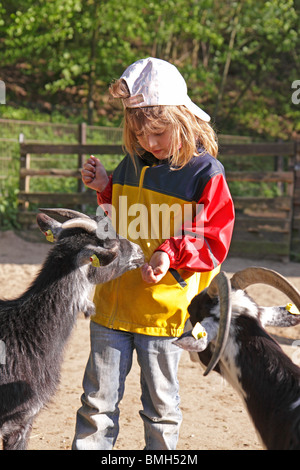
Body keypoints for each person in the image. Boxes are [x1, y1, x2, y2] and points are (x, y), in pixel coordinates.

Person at [72, 57, 235, 450]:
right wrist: (106, 188)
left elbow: (214, 238)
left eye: (159, 134)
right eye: (140, 134)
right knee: (96, 405)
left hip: (165, 315)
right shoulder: (129, 165)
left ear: (183, 119)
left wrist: (169, 254)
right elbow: (114, 228)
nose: (149, 143)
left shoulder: (205, 174)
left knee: (160, 409)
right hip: (112, 307)